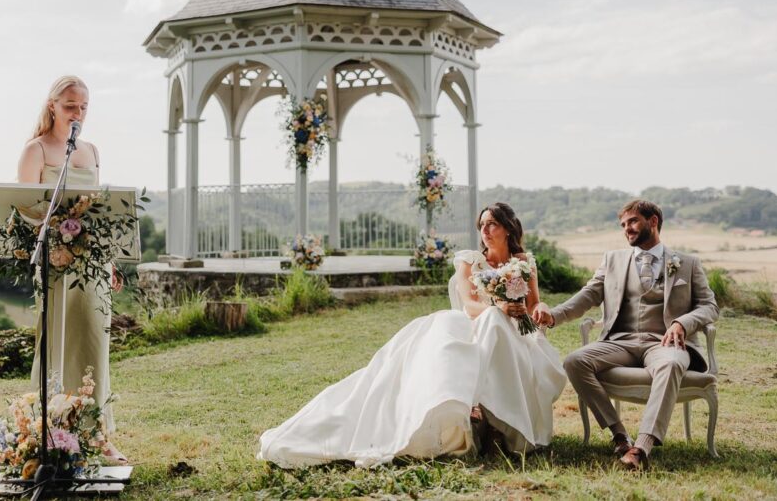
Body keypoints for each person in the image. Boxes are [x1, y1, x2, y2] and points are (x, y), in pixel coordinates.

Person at [257, 202, 566, 468]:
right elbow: (470, 302)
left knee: (500, 324)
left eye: (493, 224)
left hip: (518, 330)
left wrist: (538, 310)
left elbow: (534, 300)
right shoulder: (470, 259)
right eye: (482, 224)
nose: (485, 230)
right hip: (480, 322)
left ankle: (498, 423)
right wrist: (498, 304)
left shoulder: (524, 262)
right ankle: (476, 408)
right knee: (492, 322)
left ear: (509, 228)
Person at [533, 200, 719, 471]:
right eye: (623, 225)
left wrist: (682, 323)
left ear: (653, 221)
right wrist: (555, 315)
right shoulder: (613, 260)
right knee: (575, 361)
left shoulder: (688, 264)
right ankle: (619, 435)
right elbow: (588, 295)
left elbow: (709, 306)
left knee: (671, 363)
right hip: (620, 341)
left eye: (632, 222)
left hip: (664, 344)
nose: (627, 229)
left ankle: (642, 447)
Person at [17, 74, 127, 464]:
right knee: (59, 345)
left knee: (94, 346)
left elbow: (97, 210)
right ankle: (50, 431)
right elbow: (25, 211)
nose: (78, 113)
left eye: (83, 107)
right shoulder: (38, 150)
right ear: (52, 106)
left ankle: (99, 434)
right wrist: (55, 243)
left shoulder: (92, 150)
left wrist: (109, 261)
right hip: (57, 263)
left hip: (92, 265)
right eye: (70, 106)